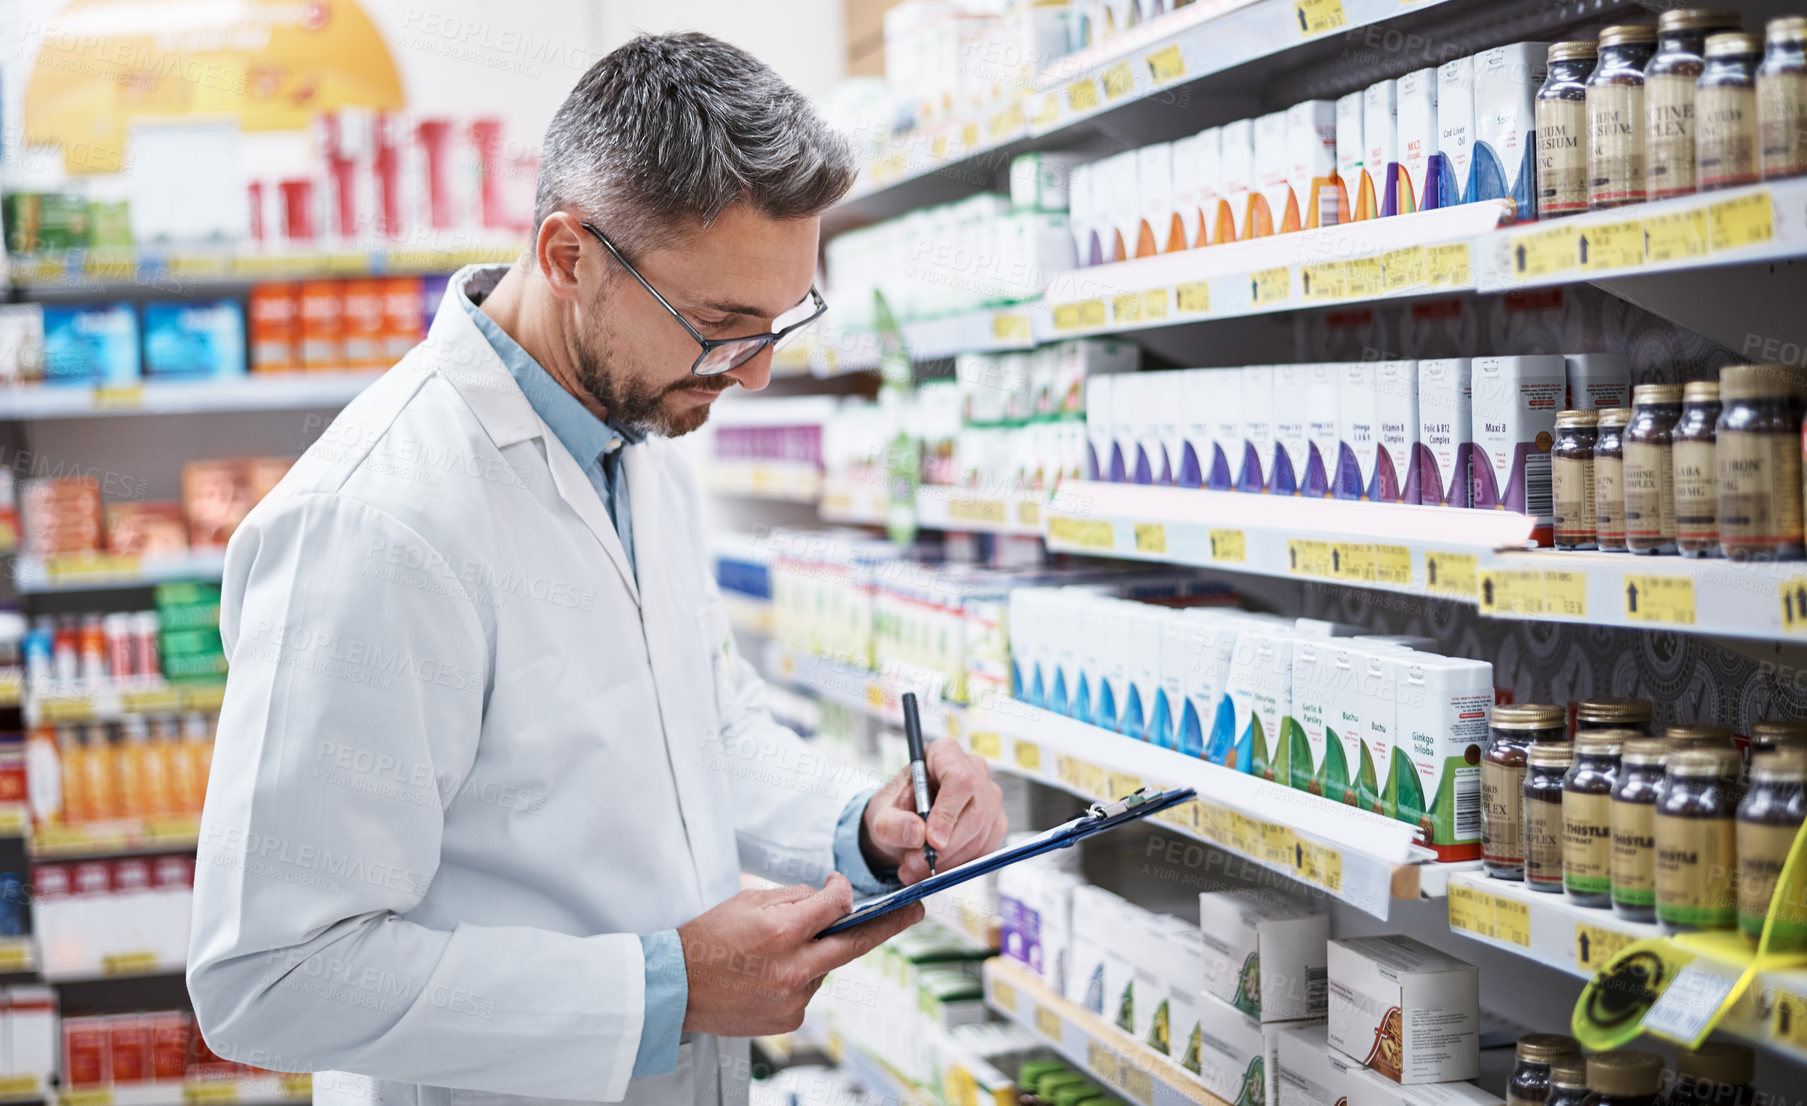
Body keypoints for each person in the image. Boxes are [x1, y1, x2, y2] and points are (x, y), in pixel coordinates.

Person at [186, 32, 1007, 1106]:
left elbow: (700, 726)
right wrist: (662, 984)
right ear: (572, 258)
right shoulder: (377, 520)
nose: (753, 373)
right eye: (721, 324)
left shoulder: (635, 428)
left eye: (778, 322)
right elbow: (271, 975)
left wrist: (862, 819)